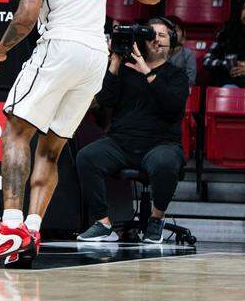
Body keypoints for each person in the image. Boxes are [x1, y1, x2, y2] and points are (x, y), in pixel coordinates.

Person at [0, 0, 161, 266]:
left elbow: (27, 16)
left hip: (60, 47)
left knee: (16, 131)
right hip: (95, 55)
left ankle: (9, 228)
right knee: (51, 149)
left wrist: (0, 51)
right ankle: (31, 229)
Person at [75, 19, 190, 243]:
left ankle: (156, 220)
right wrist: (116, 61)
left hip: (161, 144)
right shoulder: (126, 70)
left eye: (163, 35)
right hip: (121, 143)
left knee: (165, 163)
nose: (156, 39)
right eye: (152, 34)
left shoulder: (177, 75)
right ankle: (103, 223)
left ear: (172, 42)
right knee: (87, 157)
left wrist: (146, 71)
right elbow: (106, 100)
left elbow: (172, 106)